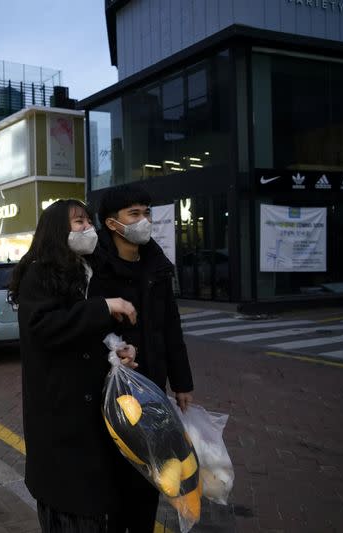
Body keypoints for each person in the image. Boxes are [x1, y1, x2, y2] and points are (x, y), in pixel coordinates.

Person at [8, 199, 139, 532]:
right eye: (79, 222)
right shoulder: (39, 273)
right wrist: (104, 308)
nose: (87, 228)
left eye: (87, 221)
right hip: (60, 424)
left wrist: (117, 350)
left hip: (93, 420)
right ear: (57, 230)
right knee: (70, 509)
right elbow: (45, 327)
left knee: (96, 507)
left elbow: (89, 334)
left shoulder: (87, 271)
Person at [88, 184, 195, 532]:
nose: (144, 220)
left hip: (153, 389)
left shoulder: (156, 265)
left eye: (146, 212)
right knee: (117, 482)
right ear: (111, 223)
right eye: (134, 214)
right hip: (112, 395)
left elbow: (171, 328)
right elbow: (86, 327)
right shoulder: (97, 271)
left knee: (151, 478)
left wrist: (182, 383)